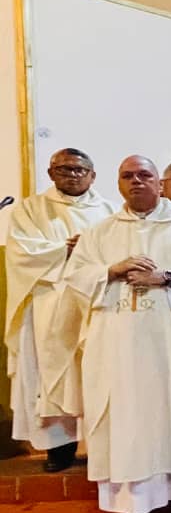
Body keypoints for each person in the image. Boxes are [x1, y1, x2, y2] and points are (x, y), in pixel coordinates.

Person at [48, 156, 171, 513]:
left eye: (144, 175)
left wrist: (166, 277)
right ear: (118, 184)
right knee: (127, 421)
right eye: (128, 176)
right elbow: (76, 279)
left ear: (160, 183)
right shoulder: (100, 232)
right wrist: (112, 270)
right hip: (118, 348)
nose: (136, 181)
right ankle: (134, 505)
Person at [5, 148, 115, 472]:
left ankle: (100, 447)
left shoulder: (110, 211)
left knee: (98, 371)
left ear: (93, 175)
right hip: (51, 301)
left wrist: (90, 253)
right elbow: (22, 253)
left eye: (80, 170)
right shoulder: (31, 209)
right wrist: (63, 249)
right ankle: (60, 447)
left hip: (95, 300)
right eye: (64, 169)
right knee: (54, 374)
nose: (73, 175)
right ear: (51, 173)